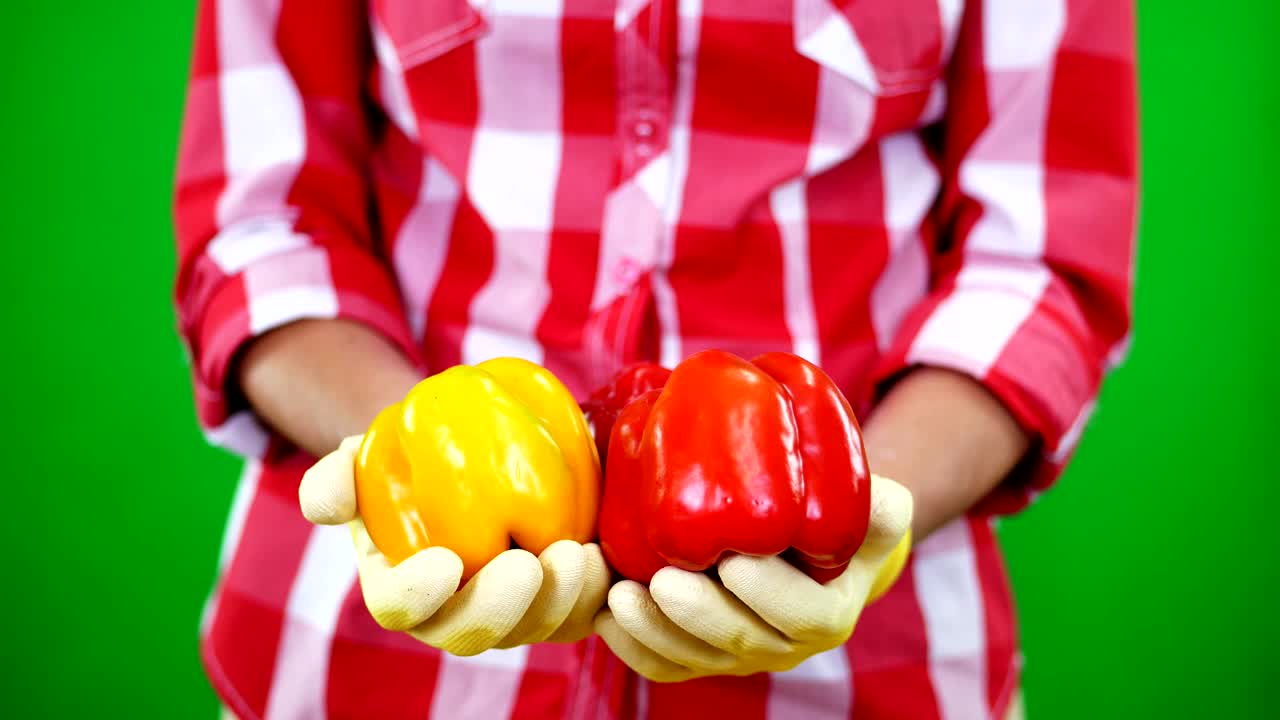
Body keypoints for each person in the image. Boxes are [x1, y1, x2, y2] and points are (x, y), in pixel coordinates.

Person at [173, 0, 1137, 718]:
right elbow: (261, 224)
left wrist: (879, 506)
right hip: (365, 662)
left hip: (866, 666)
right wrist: (411, 461)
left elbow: (1039, 259)